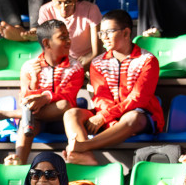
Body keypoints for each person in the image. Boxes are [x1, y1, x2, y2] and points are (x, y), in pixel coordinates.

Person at [64, 10, 163, 164]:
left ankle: (83, 147)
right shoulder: (97, 63)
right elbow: (101, 97)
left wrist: (105, 117)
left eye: (109, 32)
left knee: (132, 117)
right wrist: (110, 122)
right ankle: (87, 158)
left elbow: (138, 99)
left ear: (126, 33)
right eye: (101, 33)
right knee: (71, 114)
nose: (104, 37)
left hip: (139, 116)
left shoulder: (147, 60)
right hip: (106, 117)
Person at [0, 19, 82, 166]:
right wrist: (34, 81)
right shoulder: (29, 66)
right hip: (35, 120)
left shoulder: (75, 66)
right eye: (62, 37)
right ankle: (19, 161)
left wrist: (45, 98)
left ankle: (7, 114)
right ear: (46, 43)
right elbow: (25, 100)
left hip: (60, 119)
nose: (68, 41)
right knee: (28, 117)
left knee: (64, 105)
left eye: (68, 36)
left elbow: (68, 96)